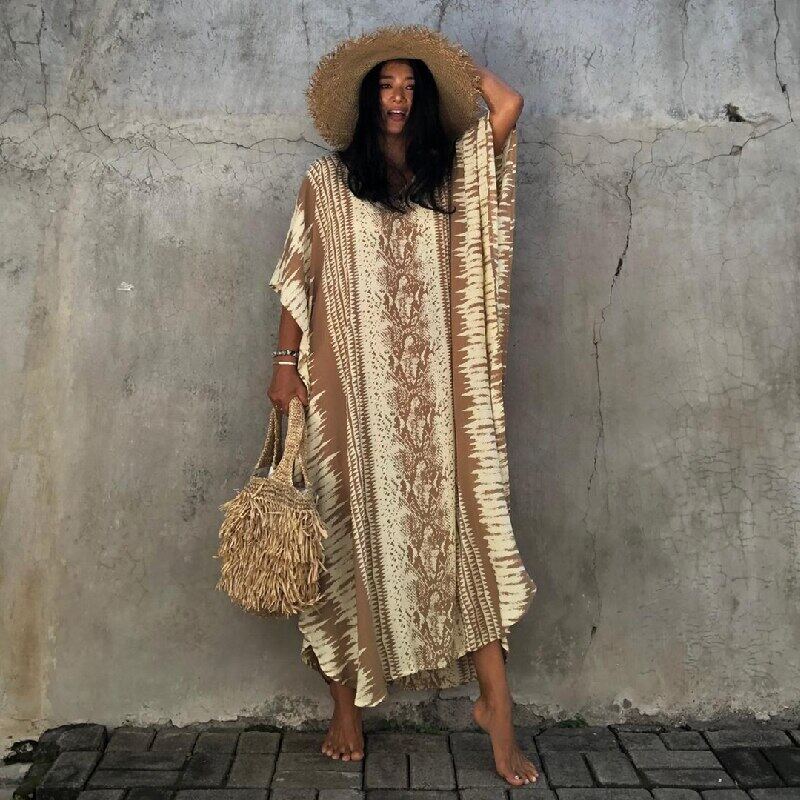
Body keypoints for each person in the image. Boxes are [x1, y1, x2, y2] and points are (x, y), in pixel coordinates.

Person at [265, 24, 538, 788]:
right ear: (366, 97)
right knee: (343, 533)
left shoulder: (448, 176)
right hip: (345, 392)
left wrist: (457, 68)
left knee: (464, 534)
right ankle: (346, 709)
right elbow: (297, 275)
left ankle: (497, 707)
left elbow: (508, 106)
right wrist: (283, 367)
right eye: (386, 85)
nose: (397, 99)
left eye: (411, 88)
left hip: (433, 399)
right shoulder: (326, 182)